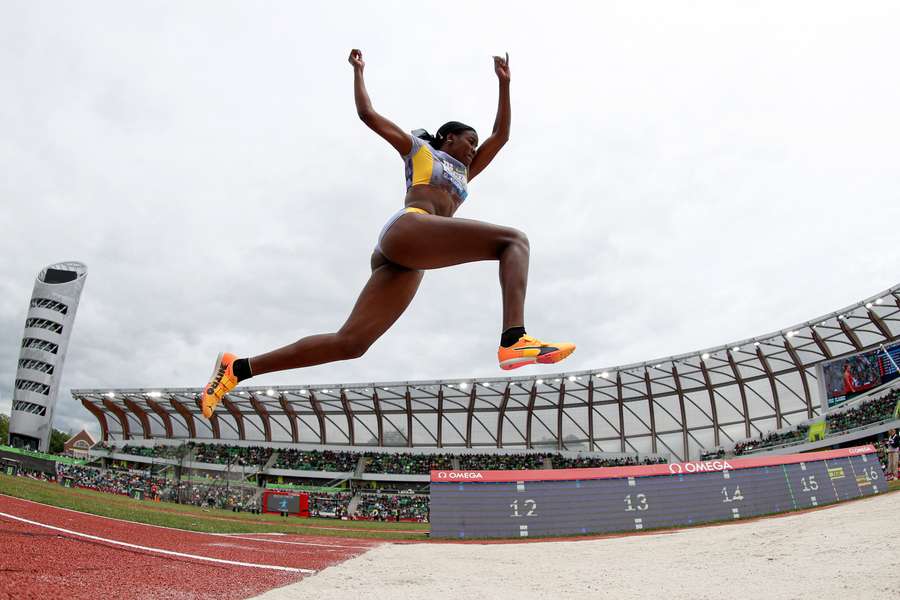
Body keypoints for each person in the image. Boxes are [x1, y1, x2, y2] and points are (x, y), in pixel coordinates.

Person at [199, 49, 575, 418]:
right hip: (409, 228)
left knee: (352, 343)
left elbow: (502, 135)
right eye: (469, 141)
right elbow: (368, 114)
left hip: (410, 259)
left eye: (476, 145)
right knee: (514, 241)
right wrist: (358, 72)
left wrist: (504, 85)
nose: (474, 149)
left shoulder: (465, 174)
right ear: (447, 139)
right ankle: (514, 339)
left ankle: (238, 368)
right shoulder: (421, 151)